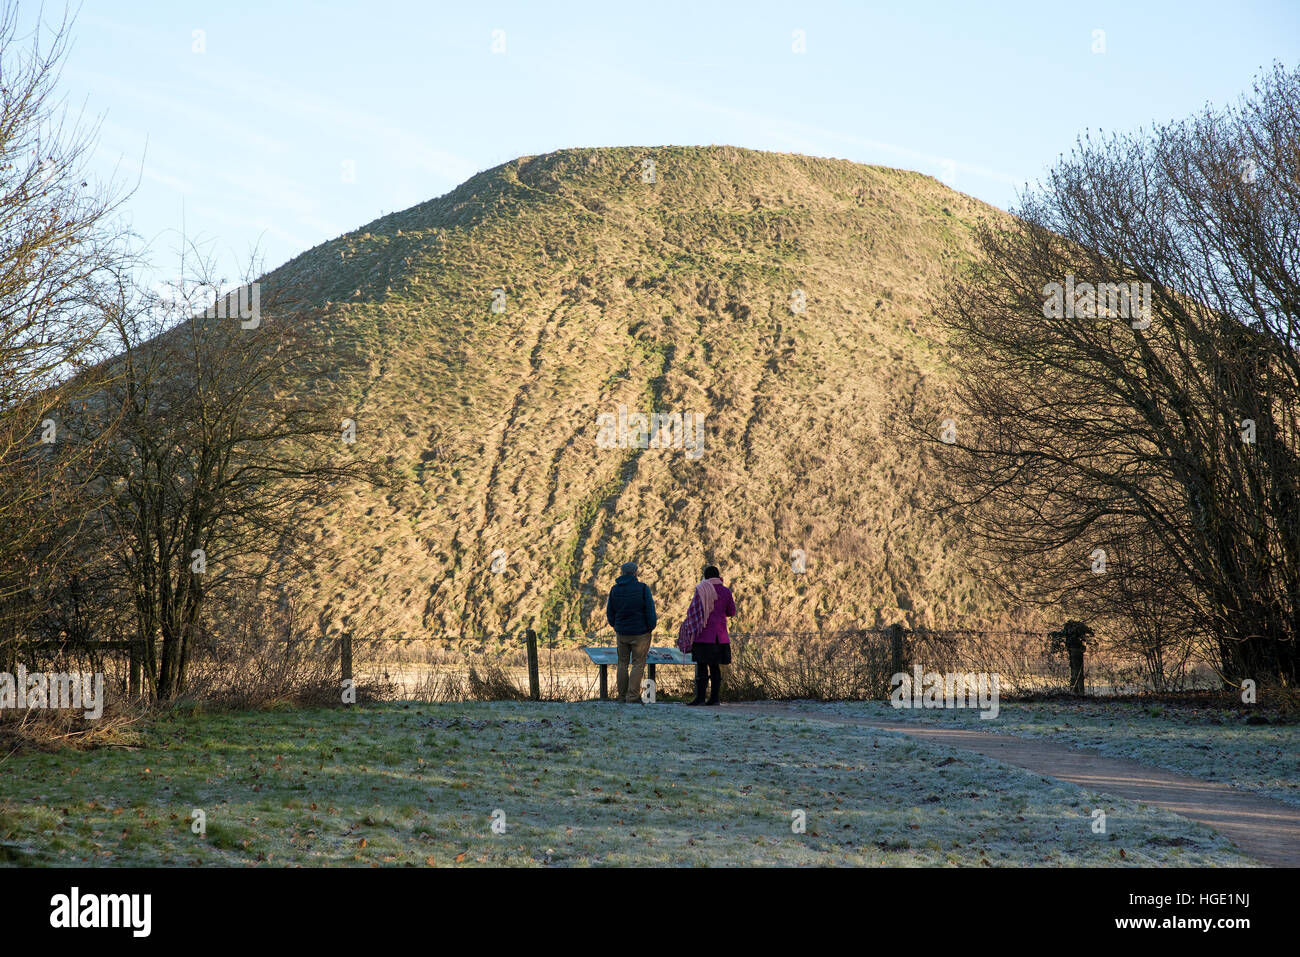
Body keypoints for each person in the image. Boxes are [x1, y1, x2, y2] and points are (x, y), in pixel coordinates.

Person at [677, 565, 735, 706]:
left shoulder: (701, 589)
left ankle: (700, 698)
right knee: (715, 668)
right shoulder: (726, 591)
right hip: (719, 637)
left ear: (706, 576)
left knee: (701, 667)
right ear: (718, 576)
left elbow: (692, 611)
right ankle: (715, 699)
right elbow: (731, 612)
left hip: (702, 635)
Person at [604, 561, 657, 704]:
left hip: (622, 632)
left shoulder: (615, 589)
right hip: (641, 633)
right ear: (635, 573)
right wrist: (650, 627)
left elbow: (610, 612)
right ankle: (632, 696)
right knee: (638, 664)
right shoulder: (642, 588)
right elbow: (650, 610)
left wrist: (616, 625)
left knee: (622, 663)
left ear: (621, 573)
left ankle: (621, 696)